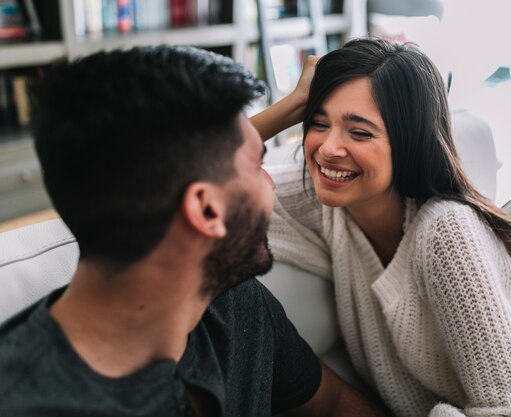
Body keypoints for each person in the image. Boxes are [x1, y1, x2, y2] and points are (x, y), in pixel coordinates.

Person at [0, 45, 387, 417]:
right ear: (205, 209)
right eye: (257, 165)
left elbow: (333, 404)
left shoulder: (232, 302)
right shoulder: (25, 401)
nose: (272, 186)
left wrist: (292, 109)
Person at [260, 38, 511, 416]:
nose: (327, 148)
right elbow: (203, 180)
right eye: (319, 123)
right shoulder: (326, 201)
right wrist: (288, 108)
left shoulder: (446, 233)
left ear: (408, 144)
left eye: (360, 132)